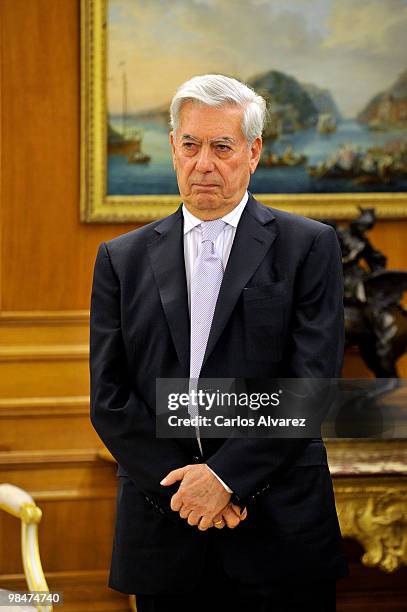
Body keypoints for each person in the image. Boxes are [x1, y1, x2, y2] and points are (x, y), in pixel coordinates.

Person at [90, 74, 348, 612]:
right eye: (191, 144)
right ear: (173, 148)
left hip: (280, 532)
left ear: (253, 153)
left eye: (222, 146)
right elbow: (110, 399)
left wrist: (226, 478)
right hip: (165, 533)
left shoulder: (309, 246)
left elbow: (310, 387)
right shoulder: (121, 259)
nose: (203, 162)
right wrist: (188, 495)